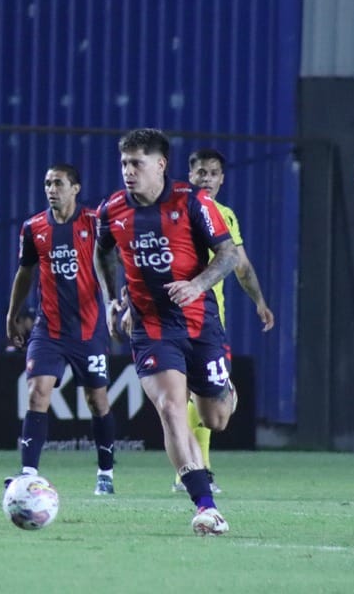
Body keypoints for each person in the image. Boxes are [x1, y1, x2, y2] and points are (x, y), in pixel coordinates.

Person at [94, 128, 239, 535]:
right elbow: (102, 251)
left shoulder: (193, 203)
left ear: (160, 164)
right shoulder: (112, 210)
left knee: (216, 417)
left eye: (136, 163)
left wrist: (196, 285)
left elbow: (228, 255)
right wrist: (110, 299)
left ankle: (224, 387)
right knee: (172, 408)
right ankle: (204, 505)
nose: (128, 171)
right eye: (124, 163)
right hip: (151, 326)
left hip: (199, 321)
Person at [5, 163, 117, 496]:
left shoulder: (95, 223)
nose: (51, 189)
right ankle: (28, 473)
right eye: (47, 183)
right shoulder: (34, 227)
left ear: (76, 188)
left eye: (58, 183)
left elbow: (113, 264)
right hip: (48, 329)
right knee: (38, 392)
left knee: (97, 400)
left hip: (89, 329)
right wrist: (12, 314)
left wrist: (116, 303)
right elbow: (25, 272)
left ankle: (105, 473)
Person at [168, 148, 276, 493]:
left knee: (204, 405)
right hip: (169, 317)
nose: (207, 179)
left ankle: (197, 466)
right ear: (190, 175)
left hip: (208, 319)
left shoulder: (225, 215)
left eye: (213, 173)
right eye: (201, 172)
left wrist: (259, 300)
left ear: (222, 179)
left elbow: (240, 264)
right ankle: (194, 471)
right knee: (178, 396)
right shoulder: (174, 211)